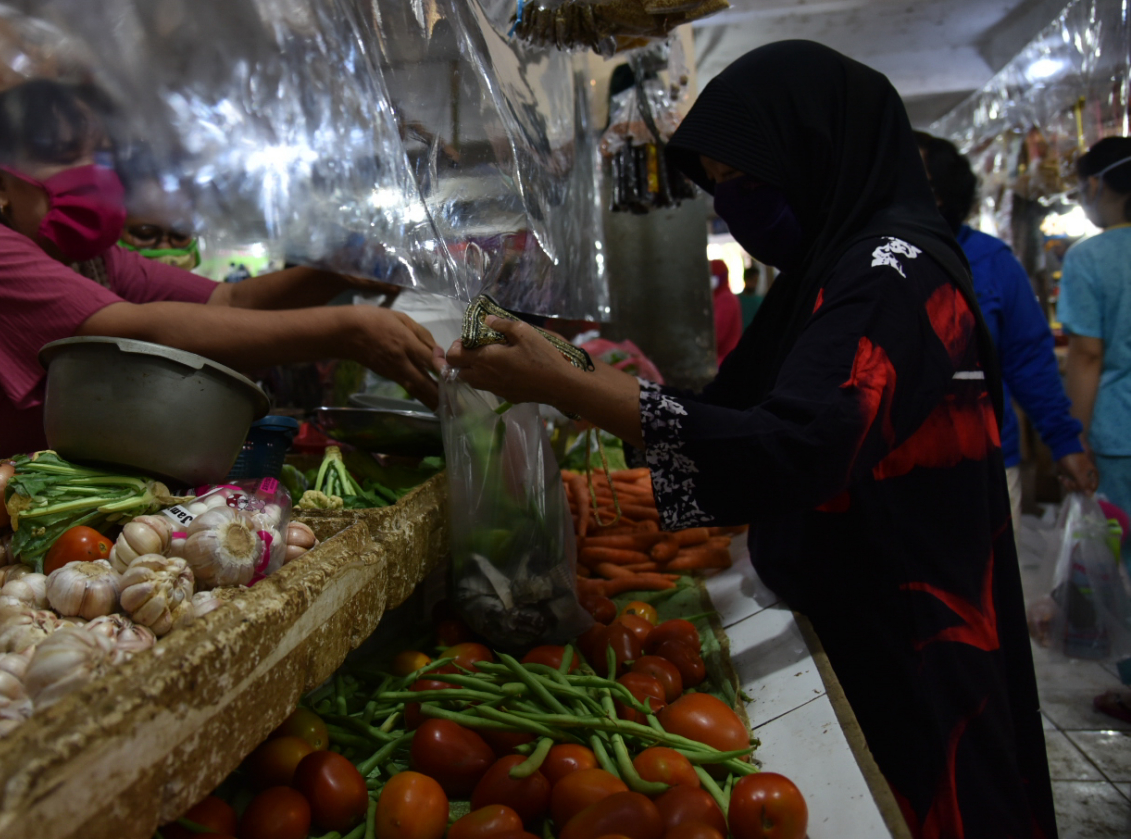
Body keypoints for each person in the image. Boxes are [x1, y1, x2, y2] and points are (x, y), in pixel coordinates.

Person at [447, 42, 1053, 836]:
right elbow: (743, 407)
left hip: (914, 624)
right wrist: (579, 373)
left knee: (924, 791)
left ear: (819, 151)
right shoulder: (833, 267)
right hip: (860, 594)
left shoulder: (895, 271)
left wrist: (568, 387)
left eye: (745, 178)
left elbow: (803, 442)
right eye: (720, 185)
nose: (735, 204)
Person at [0, 80, 439, 457]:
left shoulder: (90, 262)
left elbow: (229, 302)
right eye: (61, 153)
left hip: (11, 474)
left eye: (99, 156)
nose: (90, 174)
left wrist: (335, 272)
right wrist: (346, 330)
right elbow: (135, 331)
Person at [915, 131, 1096, 526]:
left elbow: (1028, 359)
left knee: (988, 585)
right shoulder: (860, 263)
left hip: (984, 464)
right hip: (884, 472)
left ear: (940, 193)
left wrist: (1064, 441)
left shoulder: (989, 260)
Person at [1055, 137, 1131, 722]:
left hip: (1118, 435)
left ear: (1098, 186)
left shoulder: (1092, 258)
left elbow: (1085, 354)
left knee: (1121, 564)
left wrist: (1070, 439)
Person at [709, 259, 741, 363]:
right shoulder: (718, 297)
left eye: (712, 274)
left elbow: (717, 335)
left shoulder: (725, 298)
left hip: (724, 360)